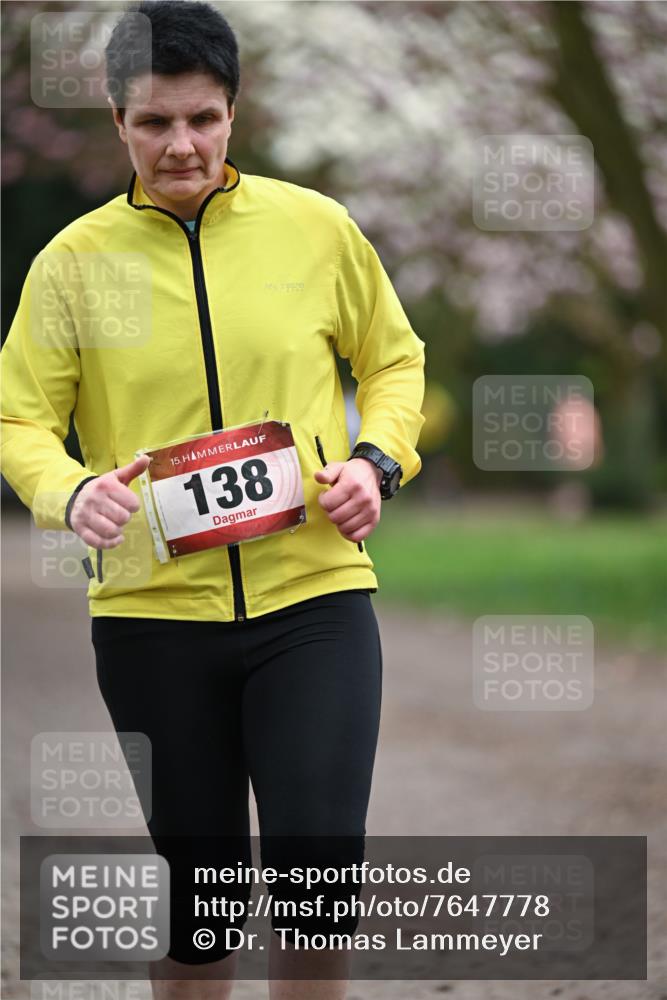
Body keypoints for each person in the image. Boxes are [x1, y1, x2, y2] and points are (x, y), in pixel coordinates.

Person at [0, 2, 425, 997]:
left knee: (318, 878)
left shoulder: (315, 229)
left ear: (234, 110)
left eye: (202, 118)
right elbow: (19, 418)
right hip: (152, 620)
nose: (181, 145)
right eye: (154, 122)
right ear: (117, 121)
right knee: (204, 906)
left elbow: (393, 359)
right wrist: (69, 491)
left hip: (313, 600)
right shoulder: (72, 265)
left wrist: (374, 462)